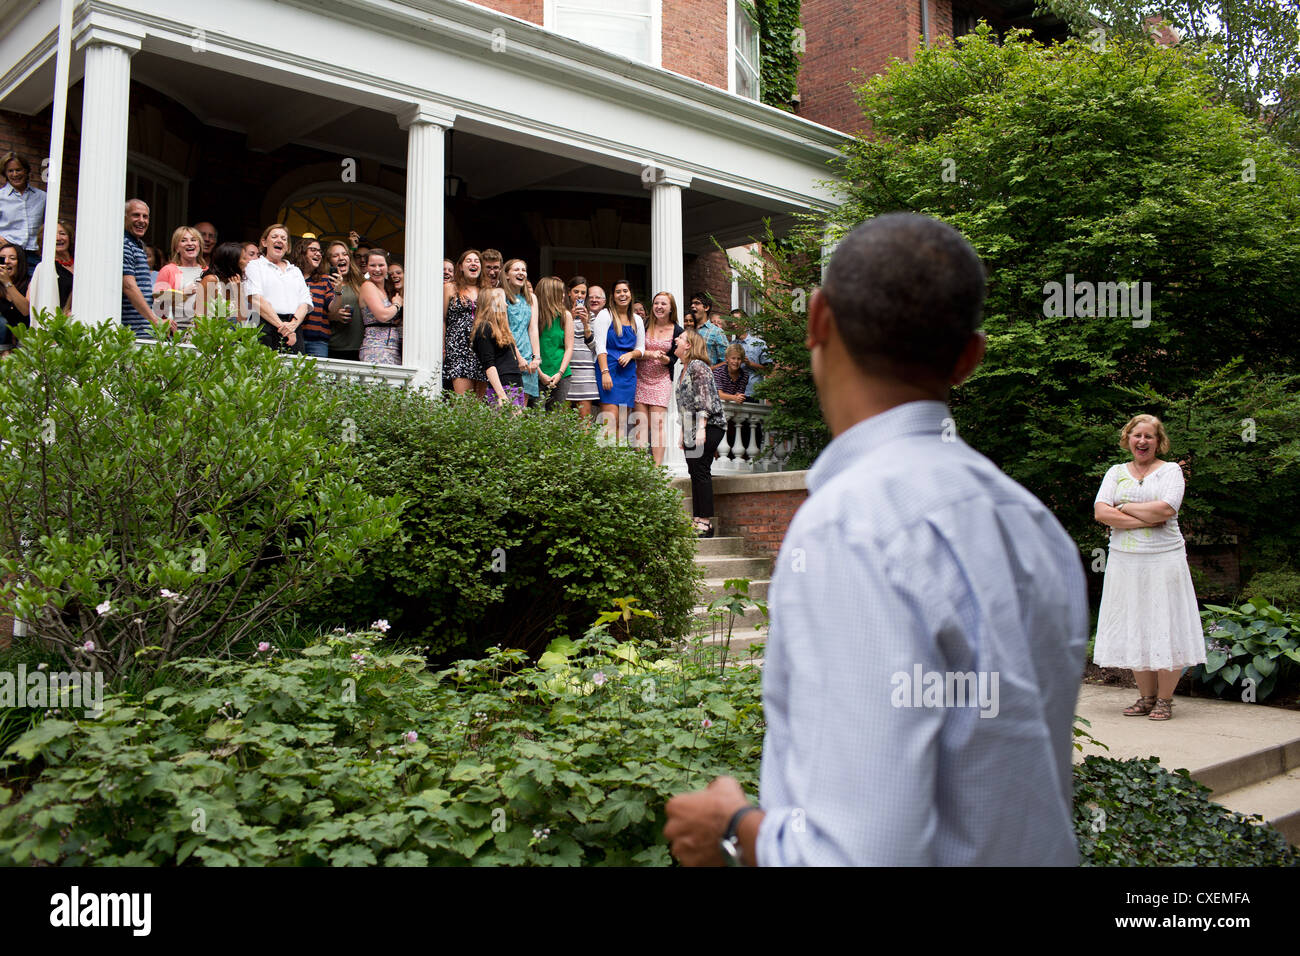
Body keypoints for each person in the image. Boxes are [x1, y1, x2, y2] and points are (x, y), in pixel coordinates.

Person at [664, 213, 1089, 867]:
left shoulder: (848, 529)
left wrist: (732, 827)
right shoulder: (1037, 526)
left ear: (817, 321)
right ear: (971, 358)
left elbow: (857, 854)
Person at [1092, 414, 1205, 721]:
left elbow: (1167, 509)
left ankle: (1165, 700)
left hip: (1164, 559)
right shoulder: (1116, 472)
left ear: (1159, 442)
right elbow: (1101, 512)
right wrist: (1146, 517)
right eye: (1136, 435)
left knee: (1165, 623)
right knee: (1137, 625)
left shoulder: (1170, 472)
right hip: (1125, 562)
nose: (1142, 441)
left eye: (1149, 436)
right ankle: (1146, 697)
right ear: (1128, 438)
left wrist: (1125, 507)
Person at [673, 329, 725, 536]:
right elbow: (684, 405)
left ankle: (705, 522)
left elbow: (705, 399)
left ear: (689, 345)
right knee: (695, 471)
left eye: (681, 338)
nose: (676, 339)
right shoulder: (684, 369)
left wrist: (701, 429)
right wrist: (682, 434)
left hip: (709, 425)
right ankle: (698, 519)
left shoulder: (698, 366)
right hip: (692, 428)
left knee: (701, 470)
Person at [243, 223, 310, 353]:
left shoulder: (295, 271)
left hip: (293, 329)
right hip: (264, 326)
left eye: (284, 239)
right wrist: (283, 327)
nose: (279, 240)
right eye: (274, 237)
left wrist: (292, 326)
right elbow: (256, 299)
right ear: (264, 242)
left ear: (288, 246)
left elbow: (305, 303)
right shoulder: (254, 266)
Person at [634, 291, 682, 466]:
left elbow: (676, 358)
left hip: (661, 380)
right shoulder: (643, 324)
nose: (659, 307)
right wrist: (649, 354)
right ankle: (641, 465)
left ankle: (657, 467)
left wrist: (665, 359)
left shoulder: (677, 330)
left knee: (658, 425)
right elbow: (635, 349)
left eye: (663, 304)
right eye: (656, 303)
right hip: (640, 378)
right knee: (640, 424)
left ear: (671, 308)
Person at [593, 279, 643, 444]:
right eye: (618, 292)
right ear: (613, 296)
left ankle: (618, 465)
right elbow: (600, 346)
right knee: (610, 420)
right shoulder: (605, 314)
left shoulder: (637, 319)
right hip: (609, 370)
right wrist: (605, 372)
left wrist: (631, 355)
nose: (622, 295)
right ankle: (606, 463)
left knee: (622, 423)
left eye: (625, 291)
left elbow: (641, 348)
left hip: (628, 374)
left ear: (630, 294)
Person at [444, 249, 489, 395]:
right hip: (458, 349)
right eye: (469, 261)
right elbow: (443, 319)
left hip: (481, 347)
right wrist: (442, 347)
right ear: (461, 267)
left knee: (478, 404)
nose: (473, 263)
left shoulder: (486, 291)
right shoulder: (450, 288)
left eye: (477, 261)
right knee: (464, 403)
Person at [472, 287, 526, 409]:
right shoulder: (484, 328)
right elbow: (489, 364)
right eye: (503, 301)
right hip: (503, 386)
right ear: (492, 304)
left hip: (515, 384)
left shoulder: (501, 329)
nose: (506, 305)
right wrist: (501, 395)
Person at [121, 199, 167, 339]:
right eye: (136, 215)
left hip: (144, 328)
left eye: (145, 216)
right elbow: (128, 285)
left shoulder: (138, 245)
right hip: (132, 330)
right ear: (124, 217)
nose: (141, 220)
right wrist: (154, 320)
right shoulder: (124, 243)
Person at [0, 152, 46, 281]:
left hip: (33, 255)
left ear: (26, 171)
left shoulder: (42, 197)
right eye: (10, 171)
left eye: (18, 170)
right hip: (8, 254)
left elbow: (48, 225)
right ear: (5, 173)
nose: (15, 174)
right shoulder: (1, 197)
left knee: (35, 291)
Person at [153, 225, 205, 336]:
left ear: (199, 245)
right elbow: (158, 303)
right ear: (176, 248)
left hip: (202, 332)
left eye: (193, 240)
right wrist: (183, 293)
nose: (190, 243)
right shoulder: (168, 270)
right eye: (183, 240)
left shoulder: (207, 271)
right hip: (176, 331)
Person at [502, 258, 540, 405]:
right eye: (516, 270)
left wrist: (536, 357)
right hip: (508, 351)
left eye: (523, 270)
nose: (521, 273)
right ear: (506, 275)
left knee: (522, 407)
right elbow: (504, 329)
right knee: (507, 405)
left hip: (527, 352)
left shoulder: (531, 298)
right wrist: (517, 357)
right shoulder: (500, 295)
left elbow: (533, 329)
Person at [535, 276, 573, 411]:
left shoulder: (565, 315)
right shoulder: (535, 315)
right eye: (559, 292)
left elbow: (569, 348)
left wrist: (560, 373)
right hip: (537, 372)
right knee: (536, 418)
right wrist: (540, 374)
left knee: (555, 418)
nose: (563, 295)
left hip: (560, 374)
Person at [293, 236, 334, 358]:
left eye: (320, 251)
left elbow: (332, 307)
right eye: (313, 250)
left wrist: (338, 292)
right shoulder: (290, 275)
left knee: (317, 376)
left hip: (317, 340)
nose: (318, 254)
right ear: (302, 251)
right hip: (293, 335)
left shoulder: (324, 279)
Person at [358, 249, 401, 365]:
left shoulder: (388, 288)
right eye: (372, 265)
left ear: (387, 267)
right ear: (366, 267)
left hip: (394, 348)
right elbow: (382, 315)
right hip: (376, 348)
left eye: (381, 265)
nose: (377, 269)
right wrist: (397, 304)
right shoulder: (367, 286)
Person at [565, 278, 600, 417]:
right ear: (569, 293)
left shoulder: (592, 317)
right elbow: (559, 340)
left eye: (583, 293)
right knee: (562, 421)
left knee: (584, 420)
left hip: (586, 373)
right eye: (576, 291)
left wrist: (586, 324)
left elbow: (594, 347)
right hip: (566, 370)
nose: (579, 295)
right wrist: (570, 318)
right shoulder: (563, 314)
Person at [325, 240, 364, 362]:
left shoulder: (360, 282)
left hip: (359, 347)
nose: (341, 258)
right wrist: (332, 316)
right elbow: (315, 313)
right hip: (335, 347)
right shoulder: (326, 283)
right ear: (330, 261)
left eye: (345, 254)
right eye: (335, 255)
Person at [198, 241, 249, 323]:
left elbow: (242, 321)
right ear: (232, 262)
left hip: (229, 334)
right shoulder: (211, 280)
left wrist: (238, 292)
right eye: (244, 258)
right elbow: (199, 318)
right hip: (206, 333)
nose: (248, 261)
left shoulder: (237, 282)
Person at [730, 308, 769, 400]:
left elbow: (768, 370)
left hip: (753, 392)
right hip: (734, 393)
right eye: (731, 321)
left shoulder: (760, 344)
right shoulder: (730, 345)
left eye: (736, 320)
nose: (733, 324)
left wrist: (750, 364)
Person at [0, 243, 30, 355]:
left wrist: (7, 282)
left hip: (24, 339)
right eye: (2, 258)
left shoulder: (29, 282)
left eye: (12, 258)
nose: (7, 261)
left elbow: (25, 310)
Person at [689, 292, 729, 366]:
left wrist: (710, 370)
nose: (692, 306)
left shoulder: (717, 332)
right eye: (692, 303)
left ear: (706, 307)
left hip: (708, 376)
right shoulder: (688, 331)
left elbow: (727, 360)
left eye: (697, 303)